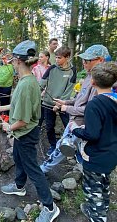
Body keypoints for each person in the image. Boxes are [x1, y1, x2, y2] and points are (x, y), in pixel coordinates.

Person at [0, 40, 60, 222]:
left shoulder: (25, 85)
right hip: (22, 134)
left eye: (13, 60)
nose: (12, 63)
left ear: (18, 61)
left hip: (25, 133)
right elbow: (17, 103)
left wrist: (8, 126)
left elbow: (22, 120)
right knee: (18, 157)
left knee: (33, 169)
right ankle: (19, 186)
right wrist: (2, 109)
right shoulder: (28, 80)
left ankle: (49, 206)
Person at [40, 44, 109, 174]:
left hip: (82, 124)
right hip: (75, 120)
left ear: (101, 60)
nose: (84, 63)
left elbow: (90, 110)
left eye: (88, 60)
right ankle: (84, 168)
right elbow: (80, 99)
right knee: (78, 149)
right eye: (83, 59)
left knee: (62, 147)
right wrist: (66, 102)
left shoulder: (100, 84)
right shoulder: (89, 76)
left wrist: (66, 108)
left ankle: (43, 169)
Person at [69, 61, 117, 222]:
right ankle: (100, 208)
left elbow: (92, 134)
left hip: (96, 156)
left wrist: (75, 128)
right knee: (103, 184)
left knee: (93, 188)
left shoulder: (95, 104)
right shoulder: (114, 99)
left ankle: (97, 216)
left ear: (93, 82)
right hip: (112, 153)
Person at [40, 46, 76, 156]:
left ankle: (71, 146)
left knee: (69, 125)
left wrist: (59, 103)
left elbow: (70, 88)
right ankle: (53, 145)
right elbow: (41, 83)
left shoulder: (72, 70)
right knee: (50, 126)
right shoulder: (51, 68)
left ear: (67, 57)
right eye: (55, 57)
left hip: (64, 105)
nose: (56, 60)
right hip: (48, 103)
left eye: (59, 58)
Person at [32, 50, 51, 127]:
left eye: (41, 57)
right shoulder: (35, 68)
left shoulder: (51, 68)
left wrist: (45, 91)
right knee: (38, 113)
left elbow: (52, 81)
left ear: (47, 57)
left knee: (46, 114)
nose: (39, 58)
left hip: (48, 95)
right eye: (39, 57)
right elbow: (33, 81)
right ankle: (37, 128)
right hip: (37, 94)